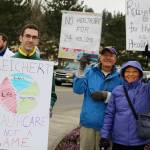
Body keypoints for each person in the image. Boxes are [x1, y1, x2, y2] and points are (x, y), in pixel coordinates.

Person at [73, 47, 122, 150]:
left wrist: (107, 96)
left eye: (111, 56)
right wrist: (81, 68)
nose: (108, 58)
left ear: (115, 59)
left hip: (108, 127)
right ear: (100, 57)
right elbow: (78, 90)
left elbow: (123, 99)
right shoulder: (90, 72)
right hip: (88, 124)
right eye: (105, 55)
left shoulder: (120, 77)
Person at [99, 61, 150, 150]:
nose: (131, 74)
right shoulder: (117, 90)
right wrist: (104, 136)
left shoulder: (146, 90)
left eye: (135, 71)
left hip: (140, 141)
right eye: (128, 71)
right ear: (123, 73)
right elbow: (109, 114)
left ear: (140, 74)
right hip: (119, 140)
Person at [12, 23, 57, 114]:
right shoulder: (7, 63)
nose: (31, 40)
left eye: (34, 37)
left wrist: (50, 105)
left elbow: (52, 95)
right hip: (10, 120)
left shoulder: (45, 67)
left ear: (37, 41)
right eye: (27, 36)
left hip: (35, 121)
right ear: (21, 38)